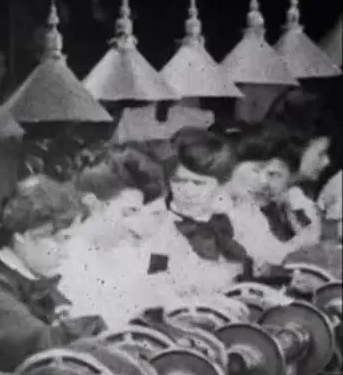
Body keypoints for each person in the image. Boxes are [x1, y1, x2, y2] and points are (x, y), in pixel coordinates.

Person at [0, 175, 105, 373]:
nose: (65, 253)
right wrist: (95, 326)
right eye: (60, 240)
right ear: (22, 237)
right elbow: (44, 344)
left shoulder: (31, 280)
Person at [58, 145, 178, 329]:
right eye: (127, 213)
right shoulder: (66, 260)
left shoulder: (125, 248)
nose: (133, 223)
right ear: (92, 204)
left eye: (137, 211)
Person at [148, 127, 248, 298]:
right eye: (179, 181)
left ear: (221, 184)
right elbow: (155, 279)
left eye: (199, 183)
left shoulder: (228, 220)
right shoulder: (161, 226)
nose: (188, 191)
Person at [223, 124, 321, 267]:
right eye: (256, 170)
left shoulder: (255, 210)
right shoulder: (220, 210)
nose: (263, 181)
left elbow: (276, 253)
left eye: (273, 175)